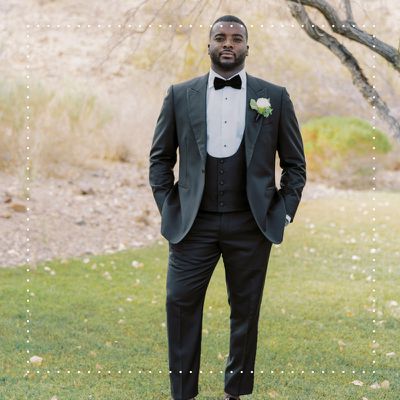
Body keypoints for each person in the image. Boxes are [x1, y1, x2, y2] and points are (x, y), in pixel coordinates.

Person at [148, 14, 306, 400]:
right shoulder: (178, 94)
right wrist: (170, 206)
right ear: (209, 45)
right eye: (221, 37)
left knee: (246, 310)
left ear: (247, 47)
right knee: (179, 304)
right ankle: (183, 393)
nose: (228, 43)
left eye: (237, 38)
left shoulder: (276, 96)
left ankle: (236, 391)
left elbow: (295, 165)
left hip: (252, 224)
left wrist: (282, 211)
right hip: (192, 225)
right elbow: (159, 160)